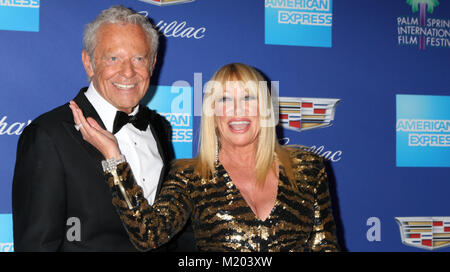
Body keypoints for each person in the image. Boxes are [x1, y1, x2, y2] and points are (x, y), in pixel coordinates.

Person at [69, 62, 339, 252]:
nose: (237, 111)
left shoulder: (308, 168)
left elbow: (325, 247)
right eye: (223, 100)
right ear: (212, 113)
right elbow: (147, 235)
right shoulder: (190, 176)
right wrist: (114, 158)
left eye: (248, 98)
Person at [12, 5, 193, 251]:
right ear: (89, 63)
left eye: (138, 58)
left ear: (152, 63)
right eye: (113, 58)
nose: (128, 72)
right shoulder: (48, 135)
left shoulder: (159, 127)